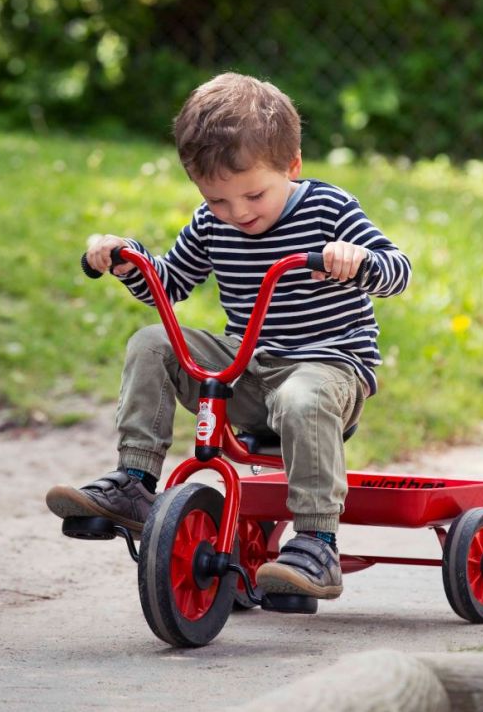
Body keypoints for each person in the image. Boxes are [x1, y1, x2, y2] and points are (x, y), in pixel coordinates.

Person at [46, 73, 411, 600]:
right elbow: (169, 284)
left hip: (327, 372)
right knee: (152, 341)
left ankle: (317, 543)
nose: (237, 213)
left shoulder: (329, 210)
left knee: (302, 395)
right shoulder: (211, 224)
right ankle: (135, 483)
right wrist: (127, 260)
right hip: (247, 371)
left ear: (292, 166)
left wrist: (358, 261)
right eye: (217, 200)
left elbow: (399, 270)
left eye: (254, 194)